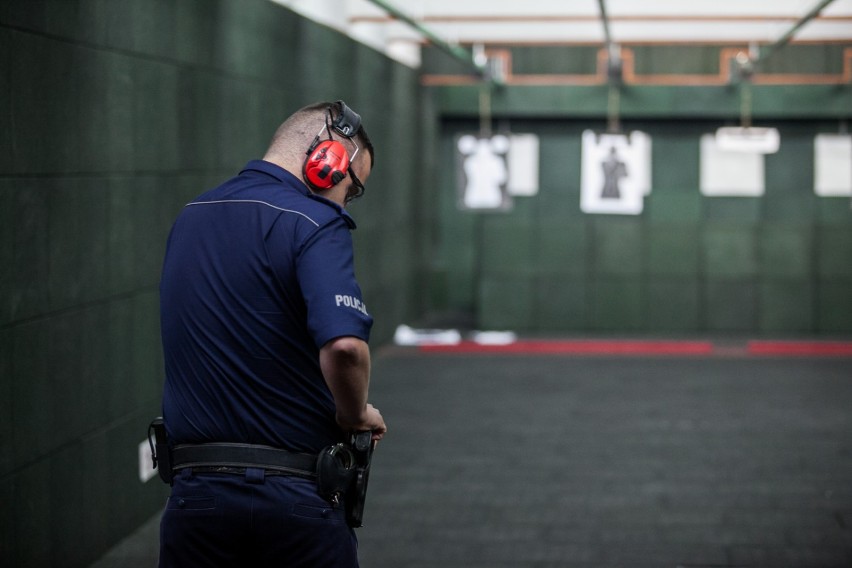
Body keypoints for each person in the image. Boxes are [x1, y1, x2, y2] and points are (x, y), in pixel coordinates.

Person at [157, 100, 387, 567]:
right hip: (293, 501)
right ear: (328, 162)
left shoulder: (190, 216)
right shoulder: (315, 223)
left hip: (193, 499)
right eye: (353, 186)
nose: (347, 196)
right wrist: (355, 413)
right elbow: (345, 347)